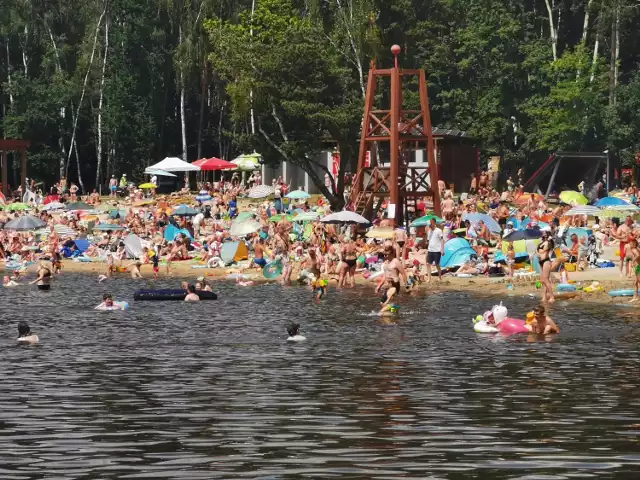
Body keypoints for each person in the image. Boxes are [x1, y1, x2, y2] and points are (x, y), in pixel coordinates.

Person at [537, 231, 556, 303]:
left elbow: (542, 251)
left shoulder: (548, 243)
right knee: (543, 280)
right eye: (543, 233)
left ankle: (552, 297)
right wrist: (539, 251)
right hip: (541, 262)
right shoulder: (541, 243)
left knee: (546, 279)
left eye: (545, 233)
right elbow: (538, 251)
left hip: (546, 261)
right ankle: (544, 297)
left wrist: (539, 251)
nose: (543, 234)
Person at [426, 217, 444, 282]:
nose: (429, 225)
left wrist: (442, 249)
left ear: (434, 223)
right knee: (428, 264)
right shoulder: (429, 231)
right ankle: (429, 278)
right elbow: (428, 241)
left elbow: (442, 240)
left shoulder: (439, 231)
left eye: (430, 224)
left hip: (437, 250)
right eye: (429, 224)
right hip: (430, 249)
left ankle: (440, 277)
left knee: (437, 264)